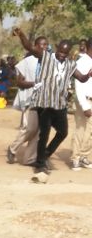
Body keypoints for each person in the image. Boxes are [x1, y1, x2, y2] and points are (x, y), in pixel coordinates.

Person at [14, 27, 92, 183]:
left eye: (65, 54)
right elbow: (29, 47)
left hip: (60, 104)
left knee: (63, 132)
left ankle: (44, 155)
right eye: (60, 52)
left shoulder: (71, 65)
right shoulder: (46, 57)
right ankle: (40, 164)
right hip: (44, 104)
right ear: (57, 49)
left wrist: (88, 75)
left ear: (69, 53)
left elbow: (81, 79)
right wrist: (22, 34)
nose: (62, 56)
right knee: (44, 134)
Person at [6, 37, 45, 167]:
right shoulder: (27, 62)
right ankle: (13, 148)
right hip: (29, 99)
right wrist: (34, 83)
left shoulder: (49, 61)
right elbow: (19, 82)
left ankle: (29, 158)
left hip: (44, 100)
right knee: (28, 128)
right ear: (34, 46)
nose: (43, 48)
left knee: (38, 131)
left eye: (46, 45)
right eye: (41, 45)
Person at [72, 38, 92, 170]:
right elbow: (79, 86)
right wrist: (85, 106)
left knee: (90, 132)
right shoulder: (82, 62)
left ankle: (84, 155)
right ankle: (75, 158)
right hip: (83, 101)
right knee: (80, 130)